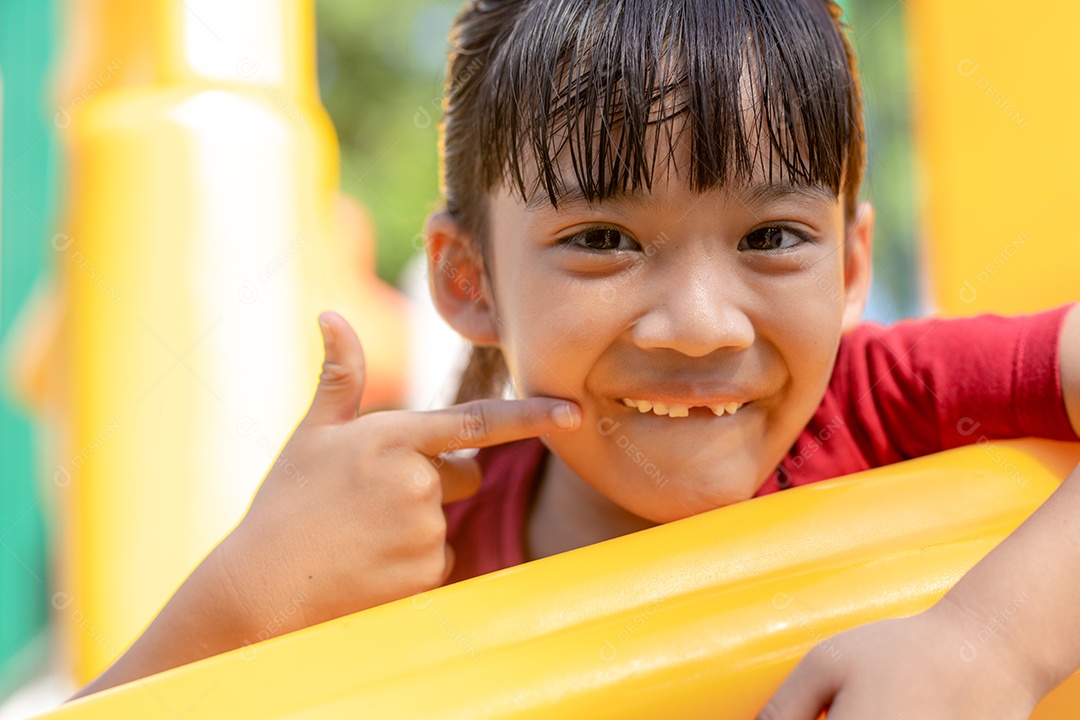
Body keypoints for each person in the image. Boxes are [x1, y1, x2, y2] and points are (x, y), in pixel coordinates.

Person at [68, 0, 1080, 717]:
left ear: (852, 262)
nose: (698, 326)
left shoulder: (891, 404)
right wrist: (243, 594)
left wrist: (990, 642)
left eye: (771, 237)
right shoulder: (422, 552)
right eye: (604, 239)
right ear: (470, 281)